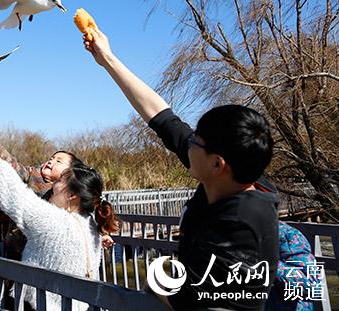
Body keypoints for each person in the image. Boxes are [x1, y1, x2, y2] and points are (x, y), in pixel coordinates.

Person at [84, 28, 278, 309]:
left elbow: (194, 301)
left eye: (196, 142)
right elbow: (163, 119)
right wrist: (108, 59)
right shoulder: (235, 174)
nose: (189, 145)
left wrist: (158, 283)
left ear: (216, 164)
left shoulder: (239, 225)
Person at [0, 122, 119, 311]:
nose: (56, 184)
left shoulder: (56, 222)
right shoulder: (89, 224)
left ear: (72, 195)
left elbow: (12, 191)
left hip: (40, 304)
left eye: (62, 180)